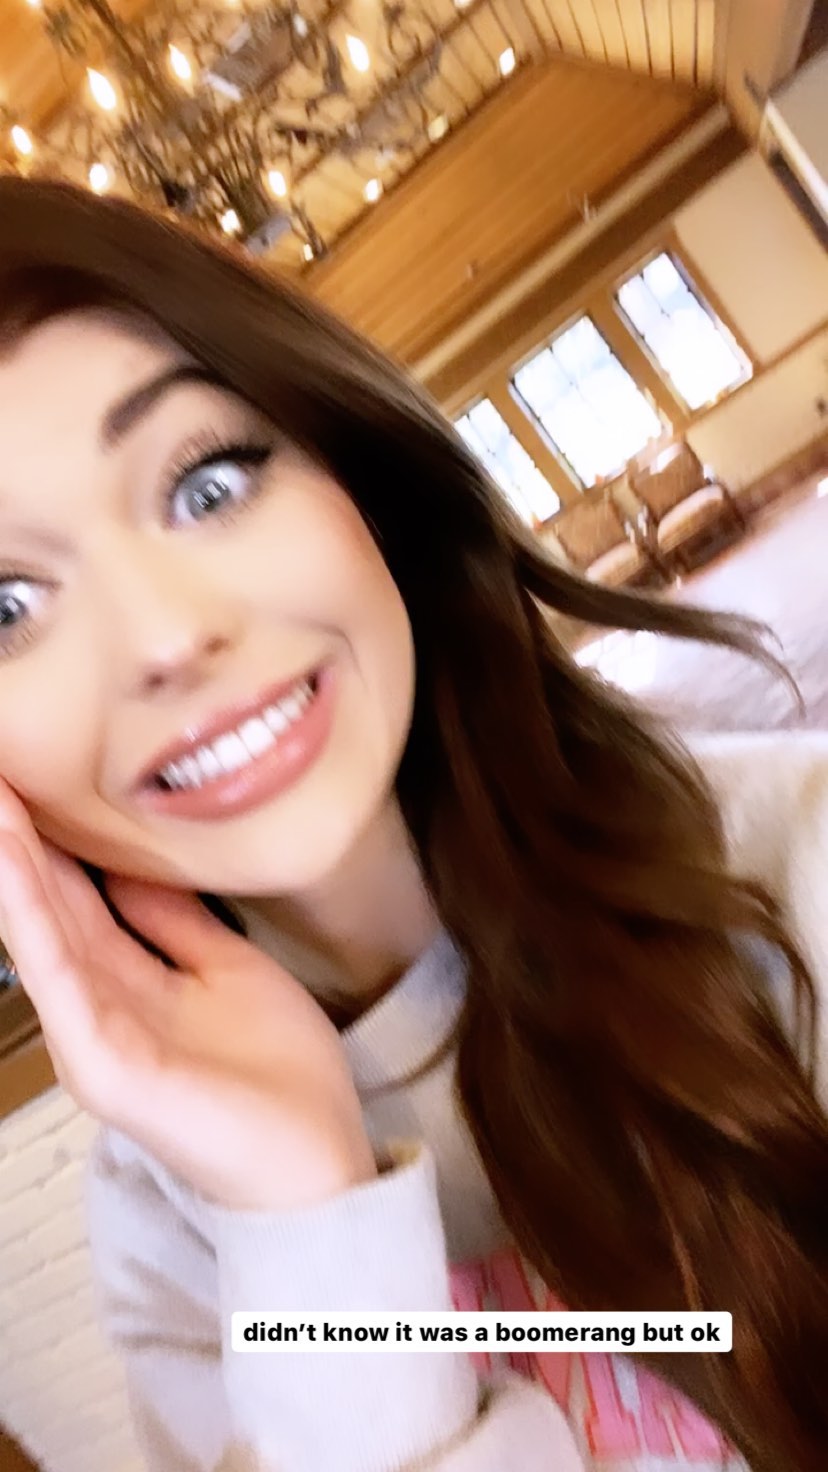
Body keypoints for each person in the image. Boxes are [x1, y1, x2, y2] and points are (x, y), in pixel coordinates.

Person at [0, 177, 825, 1472]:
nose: (168, 636)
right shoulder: (168, 1224)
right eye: (4, 609)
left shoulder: (792, 867)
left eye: (208, 485)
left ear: (359, 477)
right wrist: (304, 1209)